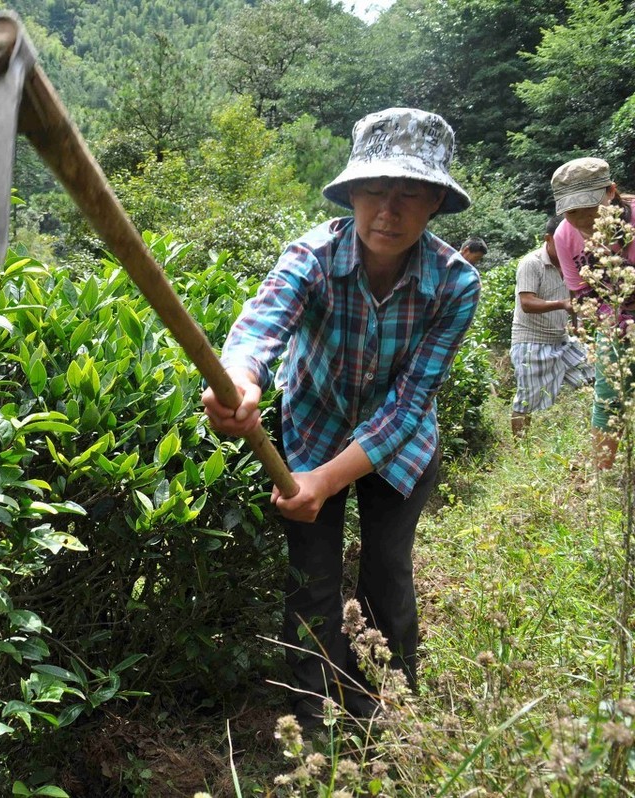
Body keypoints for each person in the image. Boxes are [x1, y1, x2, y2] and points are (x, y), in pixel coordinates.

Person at [202, 107, 480, 725]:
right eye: (375, 190)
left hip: (399, 445)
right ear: (351, 192)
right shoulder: (312, 256)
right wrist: (241, 381)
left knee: (387, 570)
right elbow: (261, 324)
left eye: (410, 192)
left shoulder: (456, 283)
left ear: (435, 201)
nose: (389, 209)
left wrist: (325, 482)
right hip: (310, 428)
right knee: (313, 580)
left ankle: (388, 710)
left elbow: (410, 402)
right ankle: (314, 719)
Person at [551, 157, 635, 469]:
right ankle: (605, 477)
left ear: (610, 191)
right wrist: (614, 324)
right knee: (607, 397)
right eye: (572, 211)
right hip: (613, 324)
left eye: (590, 206)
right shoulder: (565, 236)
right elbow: (583, 294)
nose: (583, 218)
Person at [509, 215, 592, 437]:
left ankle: (591, 437)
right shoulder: (531, 263)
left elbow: (574, 298)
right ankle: (520, 452)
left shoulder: (573, 262)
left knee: (593, 379)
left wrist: (576, 325)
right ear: (548, 239)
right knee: (527, 400)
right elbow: (527, 302)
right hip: (531, 342)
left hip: (562, 340)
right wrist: (562, 304)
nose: (568, 245)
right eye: (562, 240)